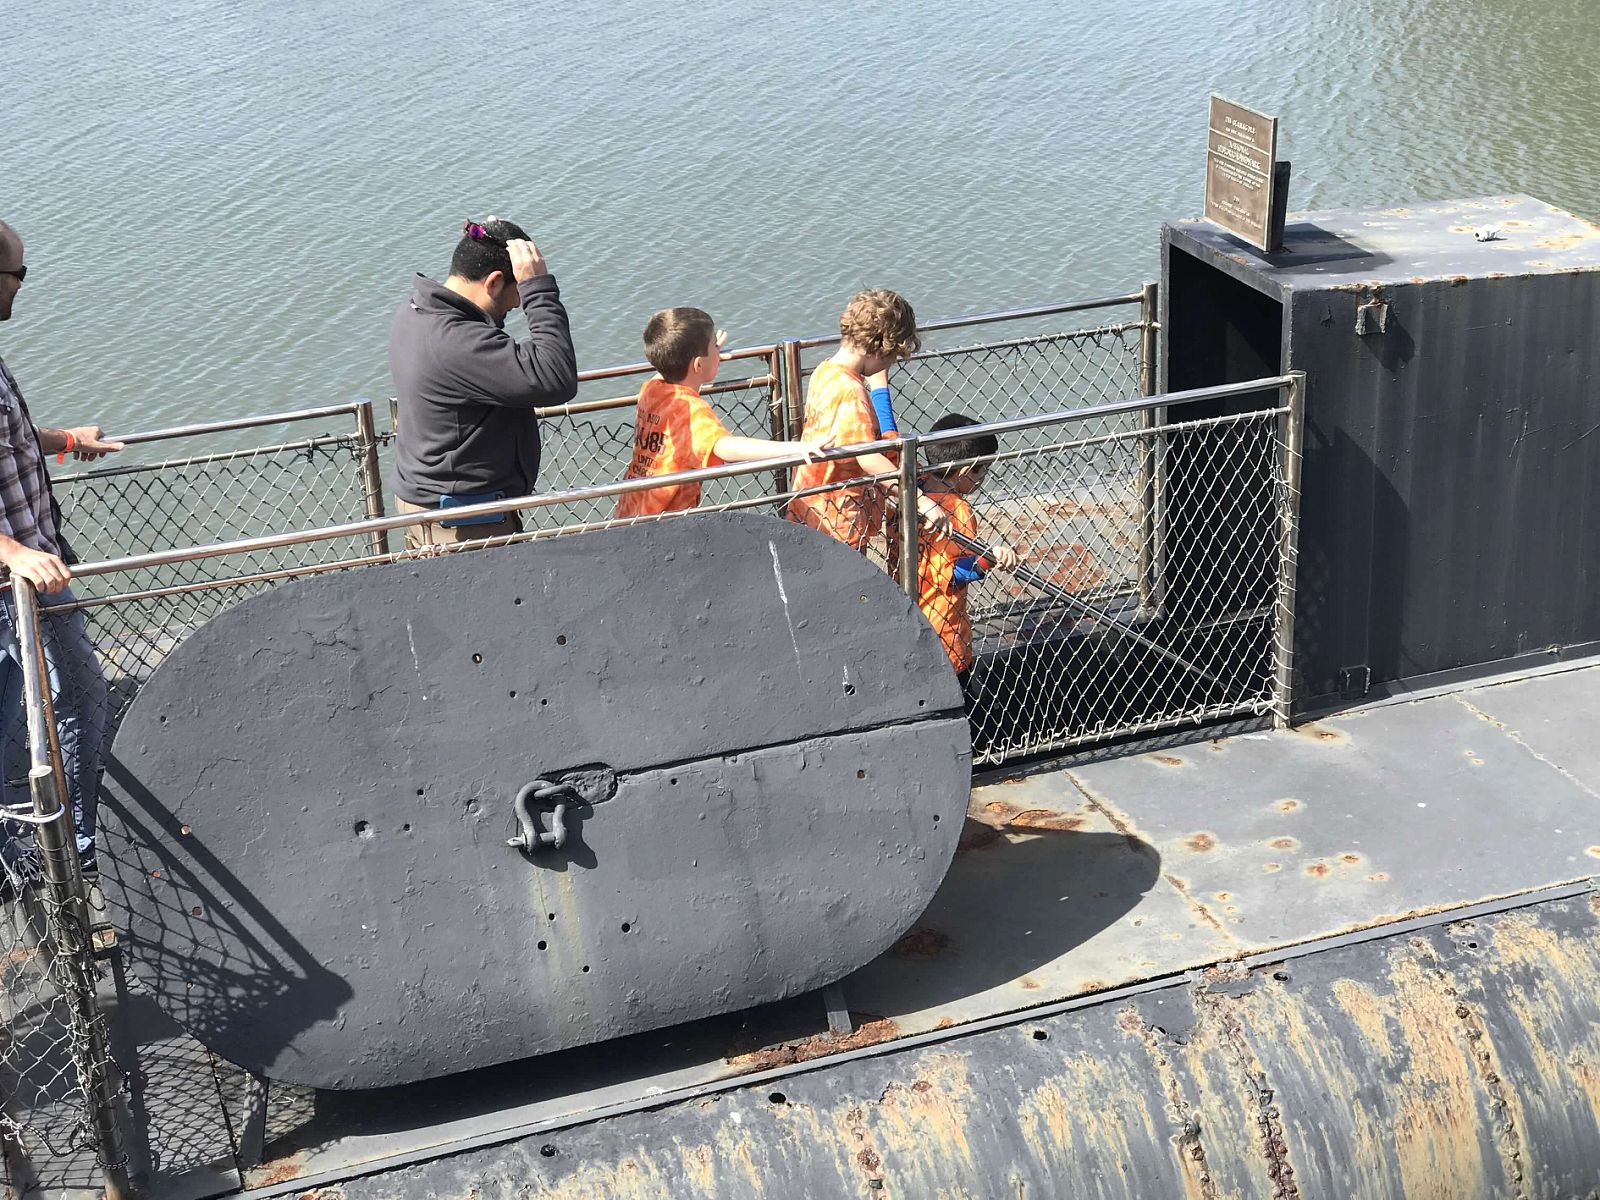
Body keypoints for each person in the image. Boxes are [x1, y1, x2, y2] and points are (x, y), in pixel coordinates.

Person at [0, 219, 125, 875]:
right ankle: (76, 851)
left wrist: (70, 441)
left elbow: (10, 438)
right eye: (18, 274)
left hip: (27, 573)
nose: (22, 285)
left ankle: (19, 853)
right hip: (20, 583)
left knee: (12, 721)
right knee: (77, 697)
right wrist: (16, 555)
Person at [390, 218, 578, 550]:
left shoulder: (416, 311)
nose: (518, 304)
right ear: (493, 282)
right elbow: (555, 377)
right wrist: (539, 288)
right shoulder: (457, 340)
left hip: (435, 508)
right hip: (464, 522)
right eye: (517, 293)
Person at [615, 308, 830, 518]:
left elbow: (669, 366)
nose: (720, 351)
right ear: (698, 364)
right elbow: (726, 447)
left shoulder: (651, 389)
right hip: (664, 522)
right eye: (716, 347)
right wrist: (796, 448)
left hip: (629, 511)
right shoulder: (691, 411)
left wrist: (706, 352)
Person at [786, 289, 947, 551]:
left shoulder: (824, 371)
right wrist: (919, 500)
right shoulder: (851, 392)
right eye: (893, 357)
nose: (890, 365)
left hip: (809, 501)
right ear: (880, 348)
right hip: (838, 515)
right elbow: (868, 457)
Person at [913, 414, 1020, 679]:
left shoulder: (913, 487)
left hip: (908, 607)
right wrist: (989, 558)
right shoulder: (957, 510)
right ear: (964, 471)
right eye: (981, 469)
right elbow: (952, 574)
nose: (983, 476)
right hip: (943, 624)